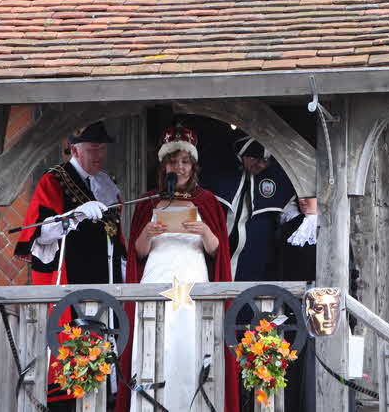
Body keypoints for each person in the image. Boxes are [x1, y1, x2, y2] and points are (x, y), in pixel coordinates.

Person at [116, 125, 239, 412]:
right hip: (156, 277)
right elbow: (138, 253)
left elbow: (217, 251)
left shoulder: (207, 202)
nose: (179, 167)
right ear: (164, 165)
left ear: (193, 166)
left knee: (188, 342)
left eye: (185, 162)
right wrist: (147, 232)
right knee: (153, 341)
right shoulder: (148, 202)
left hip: (191, 278)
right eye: (173, 161)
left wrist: (205, 230)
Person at [14, 121, 126, 408]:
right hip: (72, 279)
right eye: (92, 148)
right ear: (75, 149)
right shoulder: (54, 180)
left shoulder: (106, 184)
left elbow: (116, 239)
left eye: (102, 148)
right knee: (73, 349)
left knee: (107, 345)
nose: (99, 154)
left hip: (106, 280)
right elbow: (40, 232)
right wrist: (75, 215)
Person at [202, 135, 317, 282]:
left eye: (265, 161)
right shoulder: (221, 174)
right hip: (222, 251)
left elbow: (292, 214)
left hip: (259, 253)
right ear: (242, 155)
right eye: (255, 158)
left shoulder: (277, 180)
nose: (261, 165)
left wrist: (312, 214)